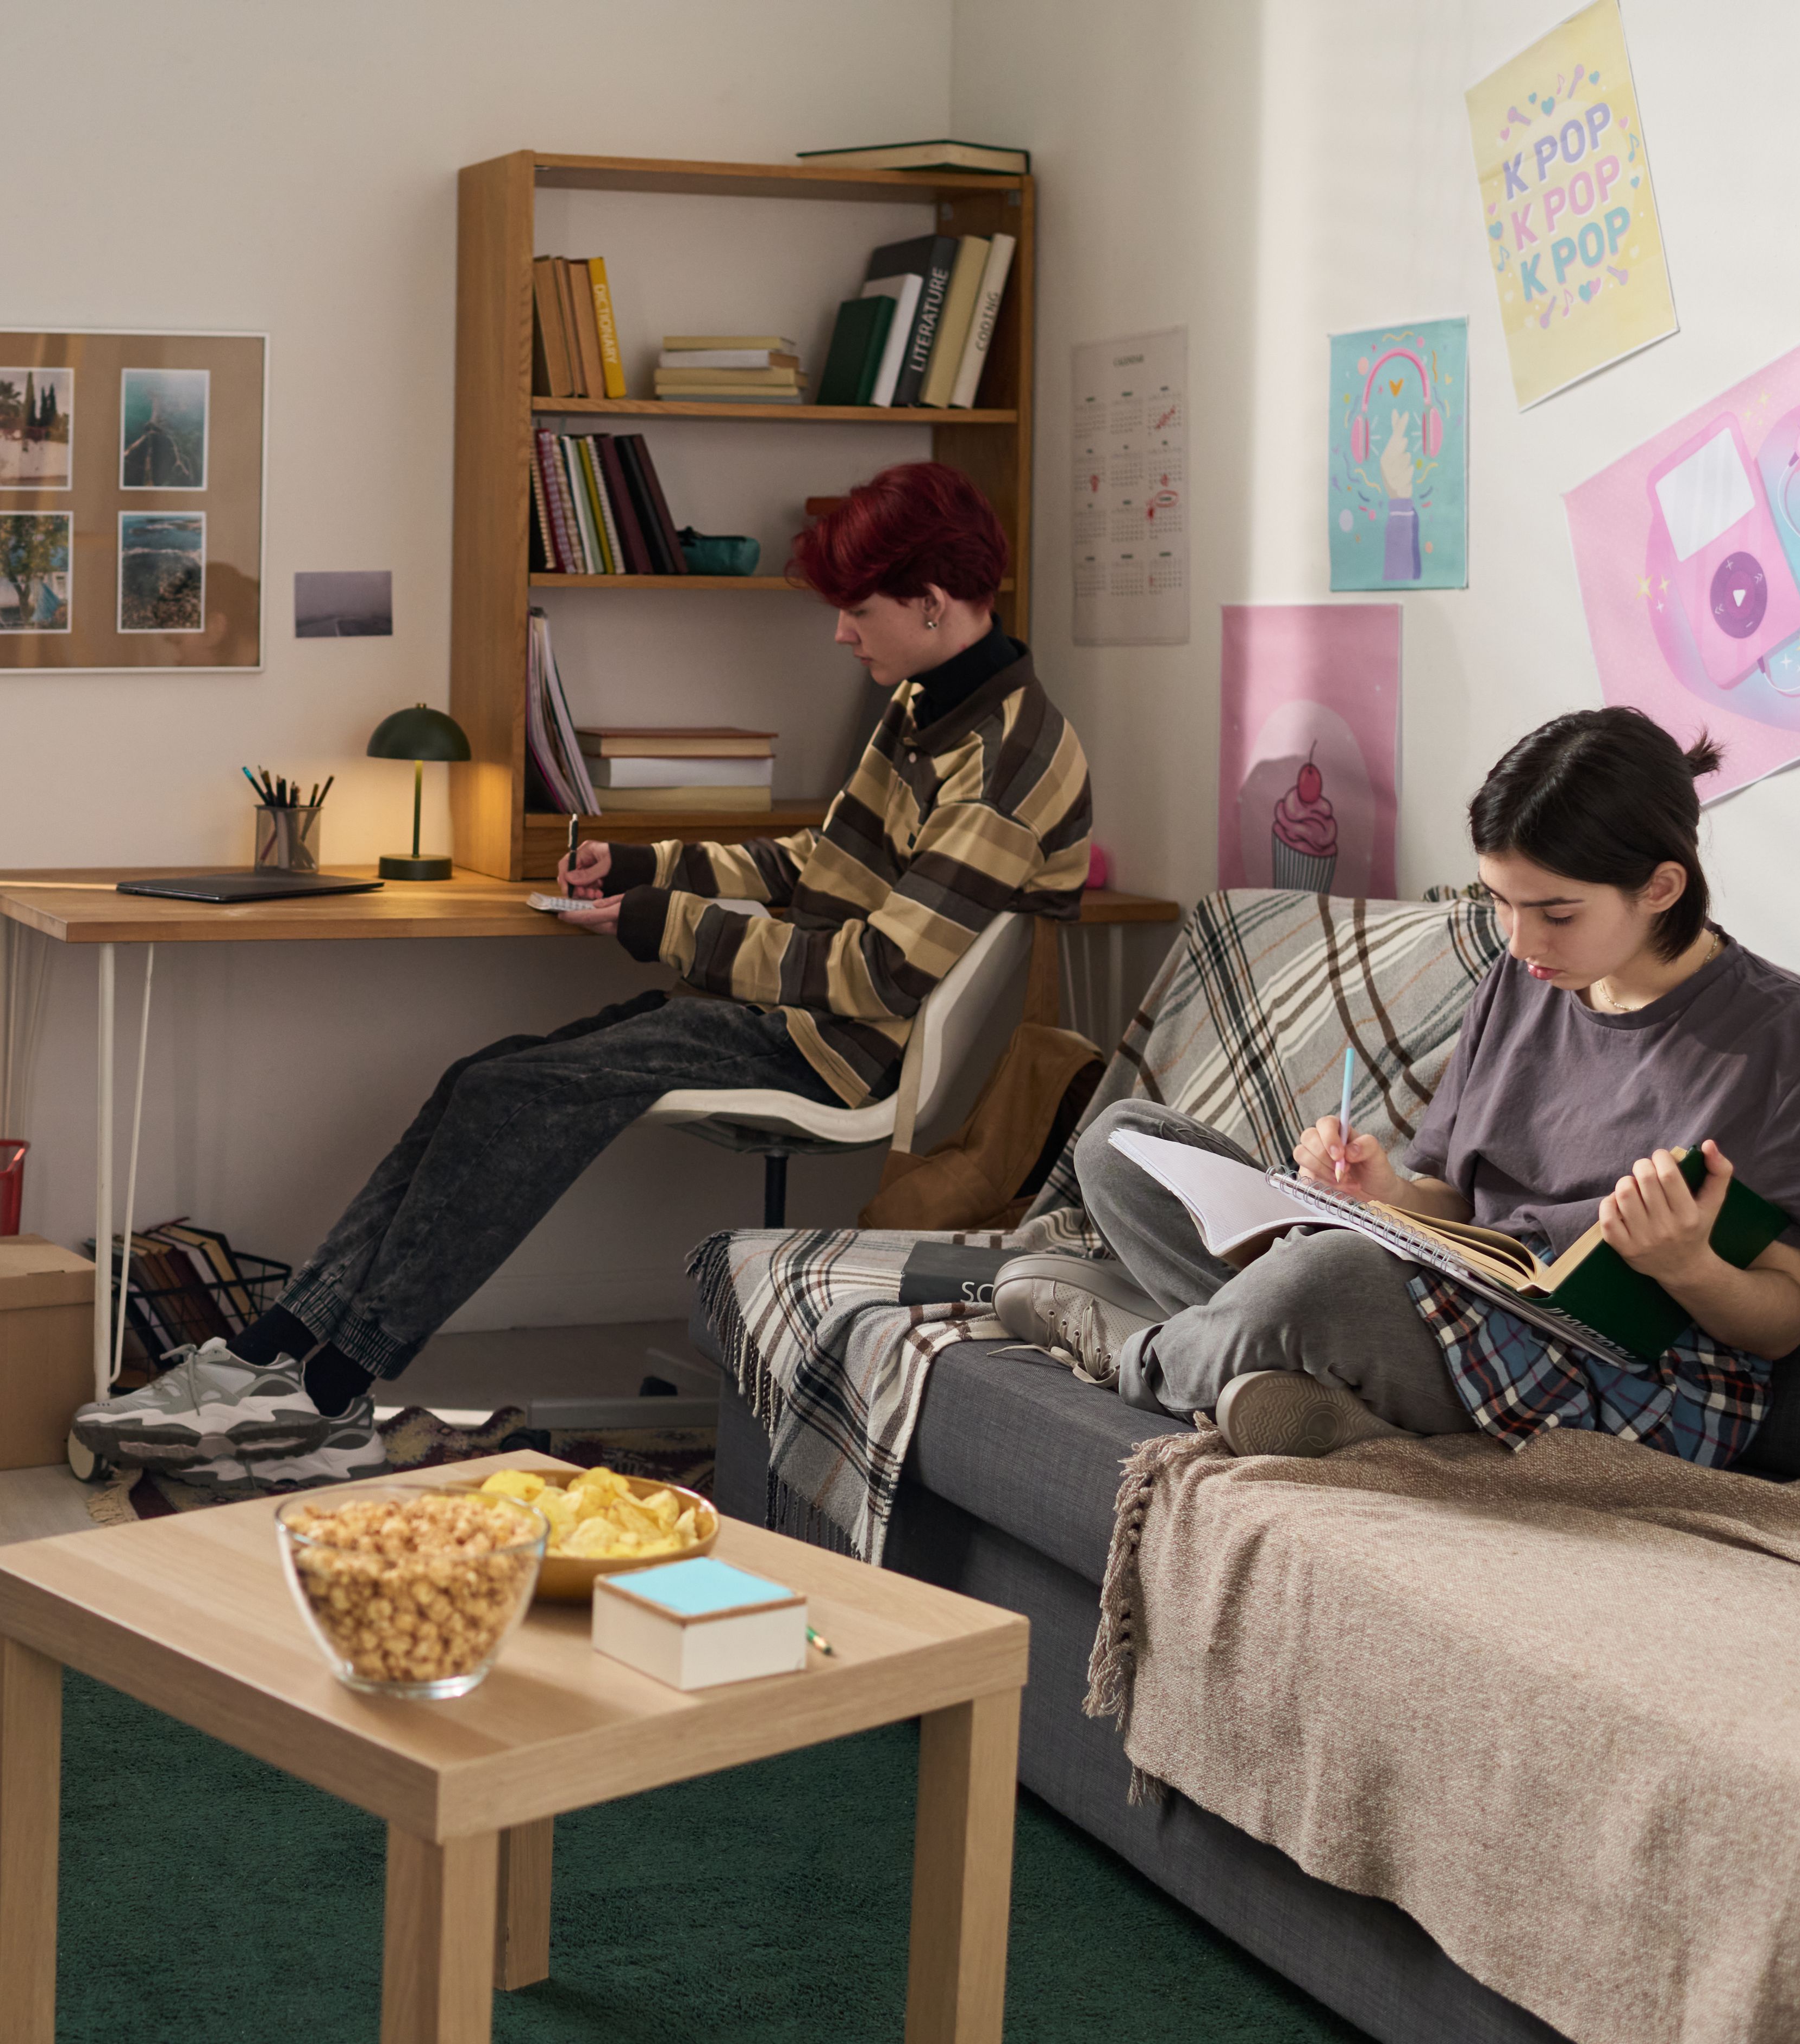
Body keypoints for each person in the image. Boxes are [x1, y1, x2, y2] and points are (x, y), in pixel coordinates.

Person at [73, 461, 1091, 1479]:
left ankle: (327, 1384)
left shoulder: (1003, 761)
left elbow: (879, 973)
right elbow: (814, 869)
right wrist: (646, 866)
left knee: (515, 1095)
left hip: (839, 1049)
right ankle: (282, 1353)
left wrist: (663, 922)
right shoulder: (926, 707)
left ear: (931, 602)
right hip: (794, 1015)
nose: (838, 632)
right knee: (486, 1081)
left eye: (856, 610)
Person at [995, 708, 1800, 1463]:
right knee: (1123, 1143)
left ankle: (1135, 1357)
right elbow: (1453, 1206)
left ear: (1661, 886)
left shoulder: (1793, 1046)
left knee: (1323, 1282)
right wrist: (1380, 1193)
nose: (1521, 939)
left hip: (1629, 1369)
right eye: (1499, 900)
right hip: (1458, 1294)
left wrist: (1688, 1264)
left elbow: (1785, 1318)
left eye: (1555, 912)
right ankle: (1305, 1390)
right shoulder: (1524, 978)